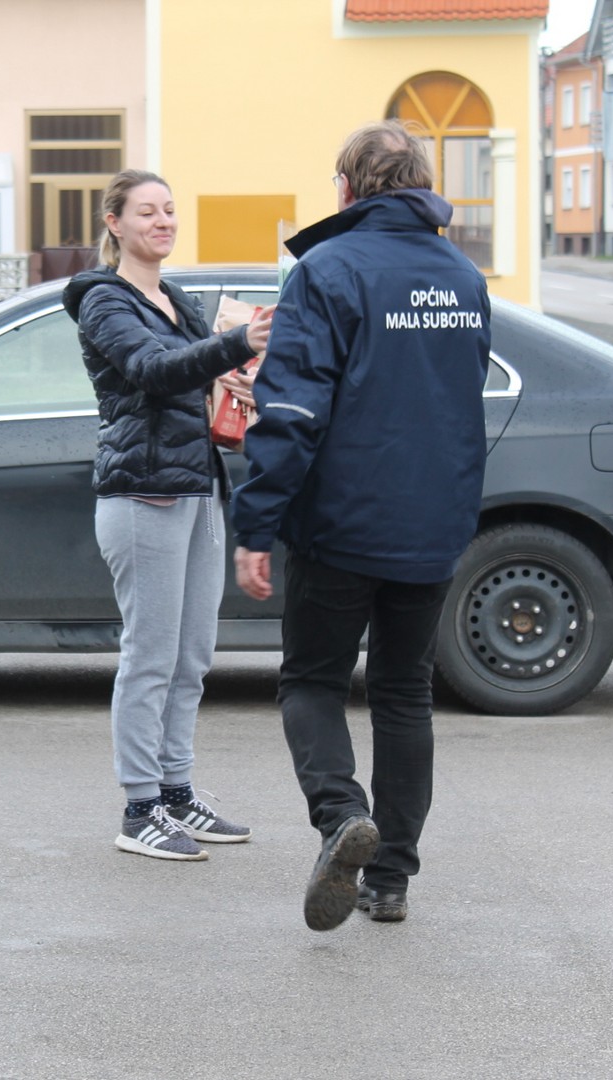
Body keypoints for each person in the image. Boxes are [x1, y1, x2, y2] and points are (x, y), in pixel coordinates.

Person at [232, 121, 490, 928]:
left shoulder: (328, 269)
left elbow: (293, 410)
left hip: (341, 522)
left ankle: (342, 816)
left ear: (346, 189)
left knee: (311, 681)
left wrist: (255, 523)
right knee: (405, 693)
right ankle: (390, 880)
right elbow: (459, 394)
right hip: (434, 524)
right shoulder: (462, 275)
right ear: (421, 186)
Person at [63, 169, 274, 861]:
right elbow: (154, 371)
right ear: (115, 223)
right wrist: (238, 346)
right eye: (147, 212)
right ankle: (138, 809)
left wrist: (235, 383)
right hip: (142, 494)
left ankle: (176, 792)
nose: (163, 222)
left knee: (191, 657)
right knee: (150, 657)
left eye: (170, 211)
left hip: (198, 490)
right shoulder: (104, 300)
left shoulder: (176, 299)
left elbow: (195, 376)